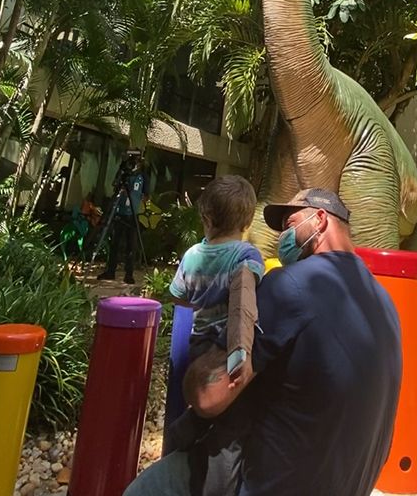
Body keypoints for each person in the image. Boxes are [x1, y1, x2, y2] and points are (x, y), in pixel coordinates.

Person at [124, 188, 402, 496]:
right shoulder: (385, 302)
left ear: (321, 220)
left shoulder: (294, 284)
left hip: (271, 483)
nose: (284, 235)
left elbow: (207, 397)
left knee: (143, 490)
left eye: (290, 222)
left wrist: (201, 356)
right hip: (348, 484)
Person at [166, 175, 265, 495]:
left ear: (206, 218)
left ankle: (186, 430)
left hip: (197, 346)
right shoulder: (247, 256)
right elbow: (249, 297)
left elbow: (180, 296)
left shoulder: (193, 254)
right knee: (230, 419)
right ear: (248, 219)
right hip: (227, 349)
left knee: (204, 401)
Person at [97, 150, 148, 284]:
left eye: (135, 161)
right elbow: (115, 184)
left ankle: (129, 274)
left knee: (131, 246)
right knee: (114, 243)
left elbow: (146, 195)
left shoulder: (142, 176)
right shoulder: (123, 171)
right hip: (119, 213)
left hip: (132, 214)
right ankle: (110, 271)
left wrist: (135, 195)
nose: (133, 164)